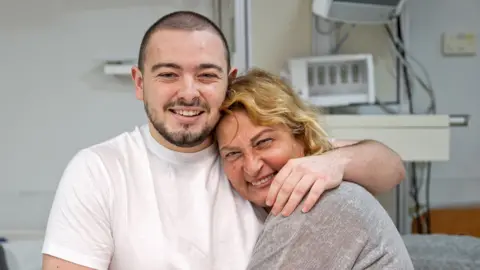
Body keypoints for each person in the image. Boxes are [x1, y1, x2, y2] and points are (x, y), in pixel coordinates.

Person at [41, 11, 406, 270]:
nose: (188, 92)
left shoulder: (259, 156)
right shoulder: (98, 170)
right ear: (140, 83)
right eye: (168, 74)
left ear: (227, 81)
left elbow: (390, 167)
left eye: (206, 75)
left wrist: (333, 161)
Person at [216, 68, 414, 270]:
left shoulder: (312, 200)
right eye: (233, 154)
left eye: (264, 142)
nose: (251, 167)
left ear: (300, 135)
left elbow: (394, 167)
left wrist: (338, 162)